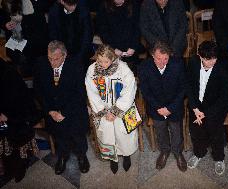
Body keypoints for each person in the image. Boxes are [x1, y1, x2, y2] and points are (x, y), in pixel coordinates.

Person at [34, 40, 90, 175]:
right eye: (50, 58)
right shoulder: (41, 64)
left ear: (64, 55)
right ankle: (62, 156)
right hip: (52, 110)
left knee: (78, 135)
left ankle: (82, 156)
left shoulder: (76, 65)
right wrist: (50, 111)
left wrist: (64, 113)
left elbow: (80, 94)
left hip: (73, 109)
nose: (52, 63)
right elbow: (38, 90)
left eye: (56, 59)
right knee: (59, 136)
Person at [85, 44, 139, 174]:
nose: (102, 64)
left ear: (113, 59)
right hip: (103, 110)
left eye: (106, 61)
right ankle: (112, 159)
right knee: (107, 135)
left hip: (123, 108)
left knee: (124, 134)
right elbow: (91, 92)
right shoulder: (92, 70)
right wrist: (104, 110)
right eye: (99, 61)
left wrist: (116, 110)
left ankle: (126, 156)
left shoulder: (123, 69)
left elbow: (130, 90)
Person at [138, 41, 187, 172]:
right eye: (159, 58)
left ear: (170, 56)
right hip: (156, 108)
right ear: (152, 55)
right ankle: (164, 151)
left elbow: (183, 89)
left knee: (177, 131)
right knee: (160, 131)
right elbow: (145, 91)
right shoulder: (144, 67)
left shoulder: (178, 64)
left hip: (174, 107)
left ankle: (178, 152)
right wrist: (158, 107)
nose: (162, 62)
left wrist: (170, 108)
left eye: (166, 59)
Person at [186, 41, 228, 176]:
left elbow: (224, 98)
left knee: (215, 131)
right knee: (195, 130)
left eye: (214, 59)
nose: (212, 62)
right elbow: (188, 84)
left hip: (216, 106)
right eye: (208, 59)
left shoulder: (224, 69)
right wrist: (194, 108)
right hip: (197, 105)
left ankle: (219, 158)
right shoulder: (193, 62)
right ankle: (199, 153)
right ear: (200, 56)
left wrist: (205, 114)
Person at [0, 57, 39, 182]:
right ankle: (8, 167)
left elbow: (20, 100)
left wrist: (6, 115)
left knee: (15, 141)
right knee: (4, 141)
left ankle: (20, 166)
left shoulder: (8, 73)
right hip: (3, 116)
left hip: (16, 116)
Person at [0, 0, 50, 76]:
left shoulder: (34, 3)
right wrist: (5, 24)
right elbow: (2, 14)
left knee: (38, 72)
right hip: (16, 44)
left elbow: (46, 6)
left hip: (35, 44)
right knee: (18, 71)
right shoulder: (7, 2)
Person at [96, 0, 140, 74]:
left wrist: (133, 46)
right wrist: (113, 48)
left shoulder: (133, 5)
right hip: (111, 47)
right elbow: (103, 31)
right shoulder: (104, 6)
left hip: (130, 48)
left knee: (129, 74)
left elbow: (137, 28)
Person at [48, 0, 93, 70]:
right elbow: (53, 35)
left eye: (74, 4)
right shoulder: (55, 12)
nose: (73, 7)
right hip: (62, 52)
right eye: (70, 5)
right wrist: (61, 54)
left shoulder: (83, 10)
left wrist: (79, 58)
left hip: (81, 52)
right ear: (62, 2)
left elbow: (87, 37)